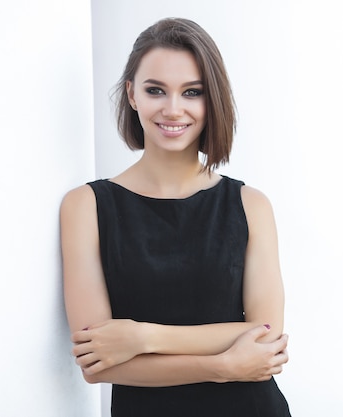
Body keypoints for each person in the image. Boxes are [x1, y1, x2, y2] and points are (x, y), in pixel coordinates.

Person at [60, 17, 291, 416]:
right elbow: (97, 364)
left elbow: (265, 336)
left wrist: (142, 336)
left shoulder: (250, 204)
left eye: (192, 92)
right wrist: (222, 365)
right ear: (132, 95)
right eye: (156, 90)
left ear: (211, 98)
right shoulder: (86, 207)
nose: (173, 109)